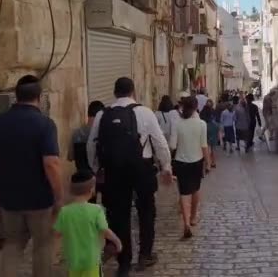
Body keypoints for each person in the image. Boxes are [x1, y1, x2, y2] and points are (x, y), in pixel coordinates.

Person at [87, 77, 173, 276]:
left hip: (114, 170)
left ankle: (124, 262)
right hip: (141, 167)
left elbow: (92, 144)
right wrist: (166, 165)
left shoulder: (102, 115)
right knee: (146, 211)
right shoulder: (144, 112)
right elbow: (159, 142)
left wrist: (96, 169)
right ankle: (145, 254)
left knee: (119, 215)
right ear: (133, 91)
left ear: (115, 93)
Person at [0, 75, 63, 277]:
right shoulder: (45, 124)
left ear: (15, 96)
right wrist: (59, 196)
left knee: (12, 245)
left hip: (8, 198)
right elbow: (51, 163)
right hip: (40, 199)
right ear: (38, 97)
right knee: (43, 245)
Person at [54, 170, 122, 277]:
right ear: (91, 190)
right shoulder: (96, 210)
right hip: (92, 260)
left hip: (73, 260)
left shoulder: (64, 211)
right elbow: (105, 231)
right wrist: (117, 241)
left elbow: (57, 233)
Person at [169, 97, 210, 239]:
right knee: (195, 189)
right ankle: (193, 217)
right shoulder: (202, 124)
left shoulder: (177, 124)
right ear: (196, 107)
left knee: (184, 193)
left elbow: (173, 146)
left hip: (181, 163)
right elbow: (204, 146)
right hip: (197, 162)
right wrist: (208, 163)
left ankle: (186, 223)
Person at [68, 100, 105, 203]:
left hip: (82, 180)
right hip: (100, 178)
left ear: (88, 114)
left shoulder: (76, 133)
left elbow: (70, 157)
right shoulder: (101, 133)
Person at [200, 103, 218, 170]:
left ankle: (208, 164)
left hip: (206, 128)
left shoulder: (202, 114)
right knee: (213, 149)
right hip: (212, 127)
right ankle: (213, 162)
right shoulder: (211, 112)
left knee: (207, 148)